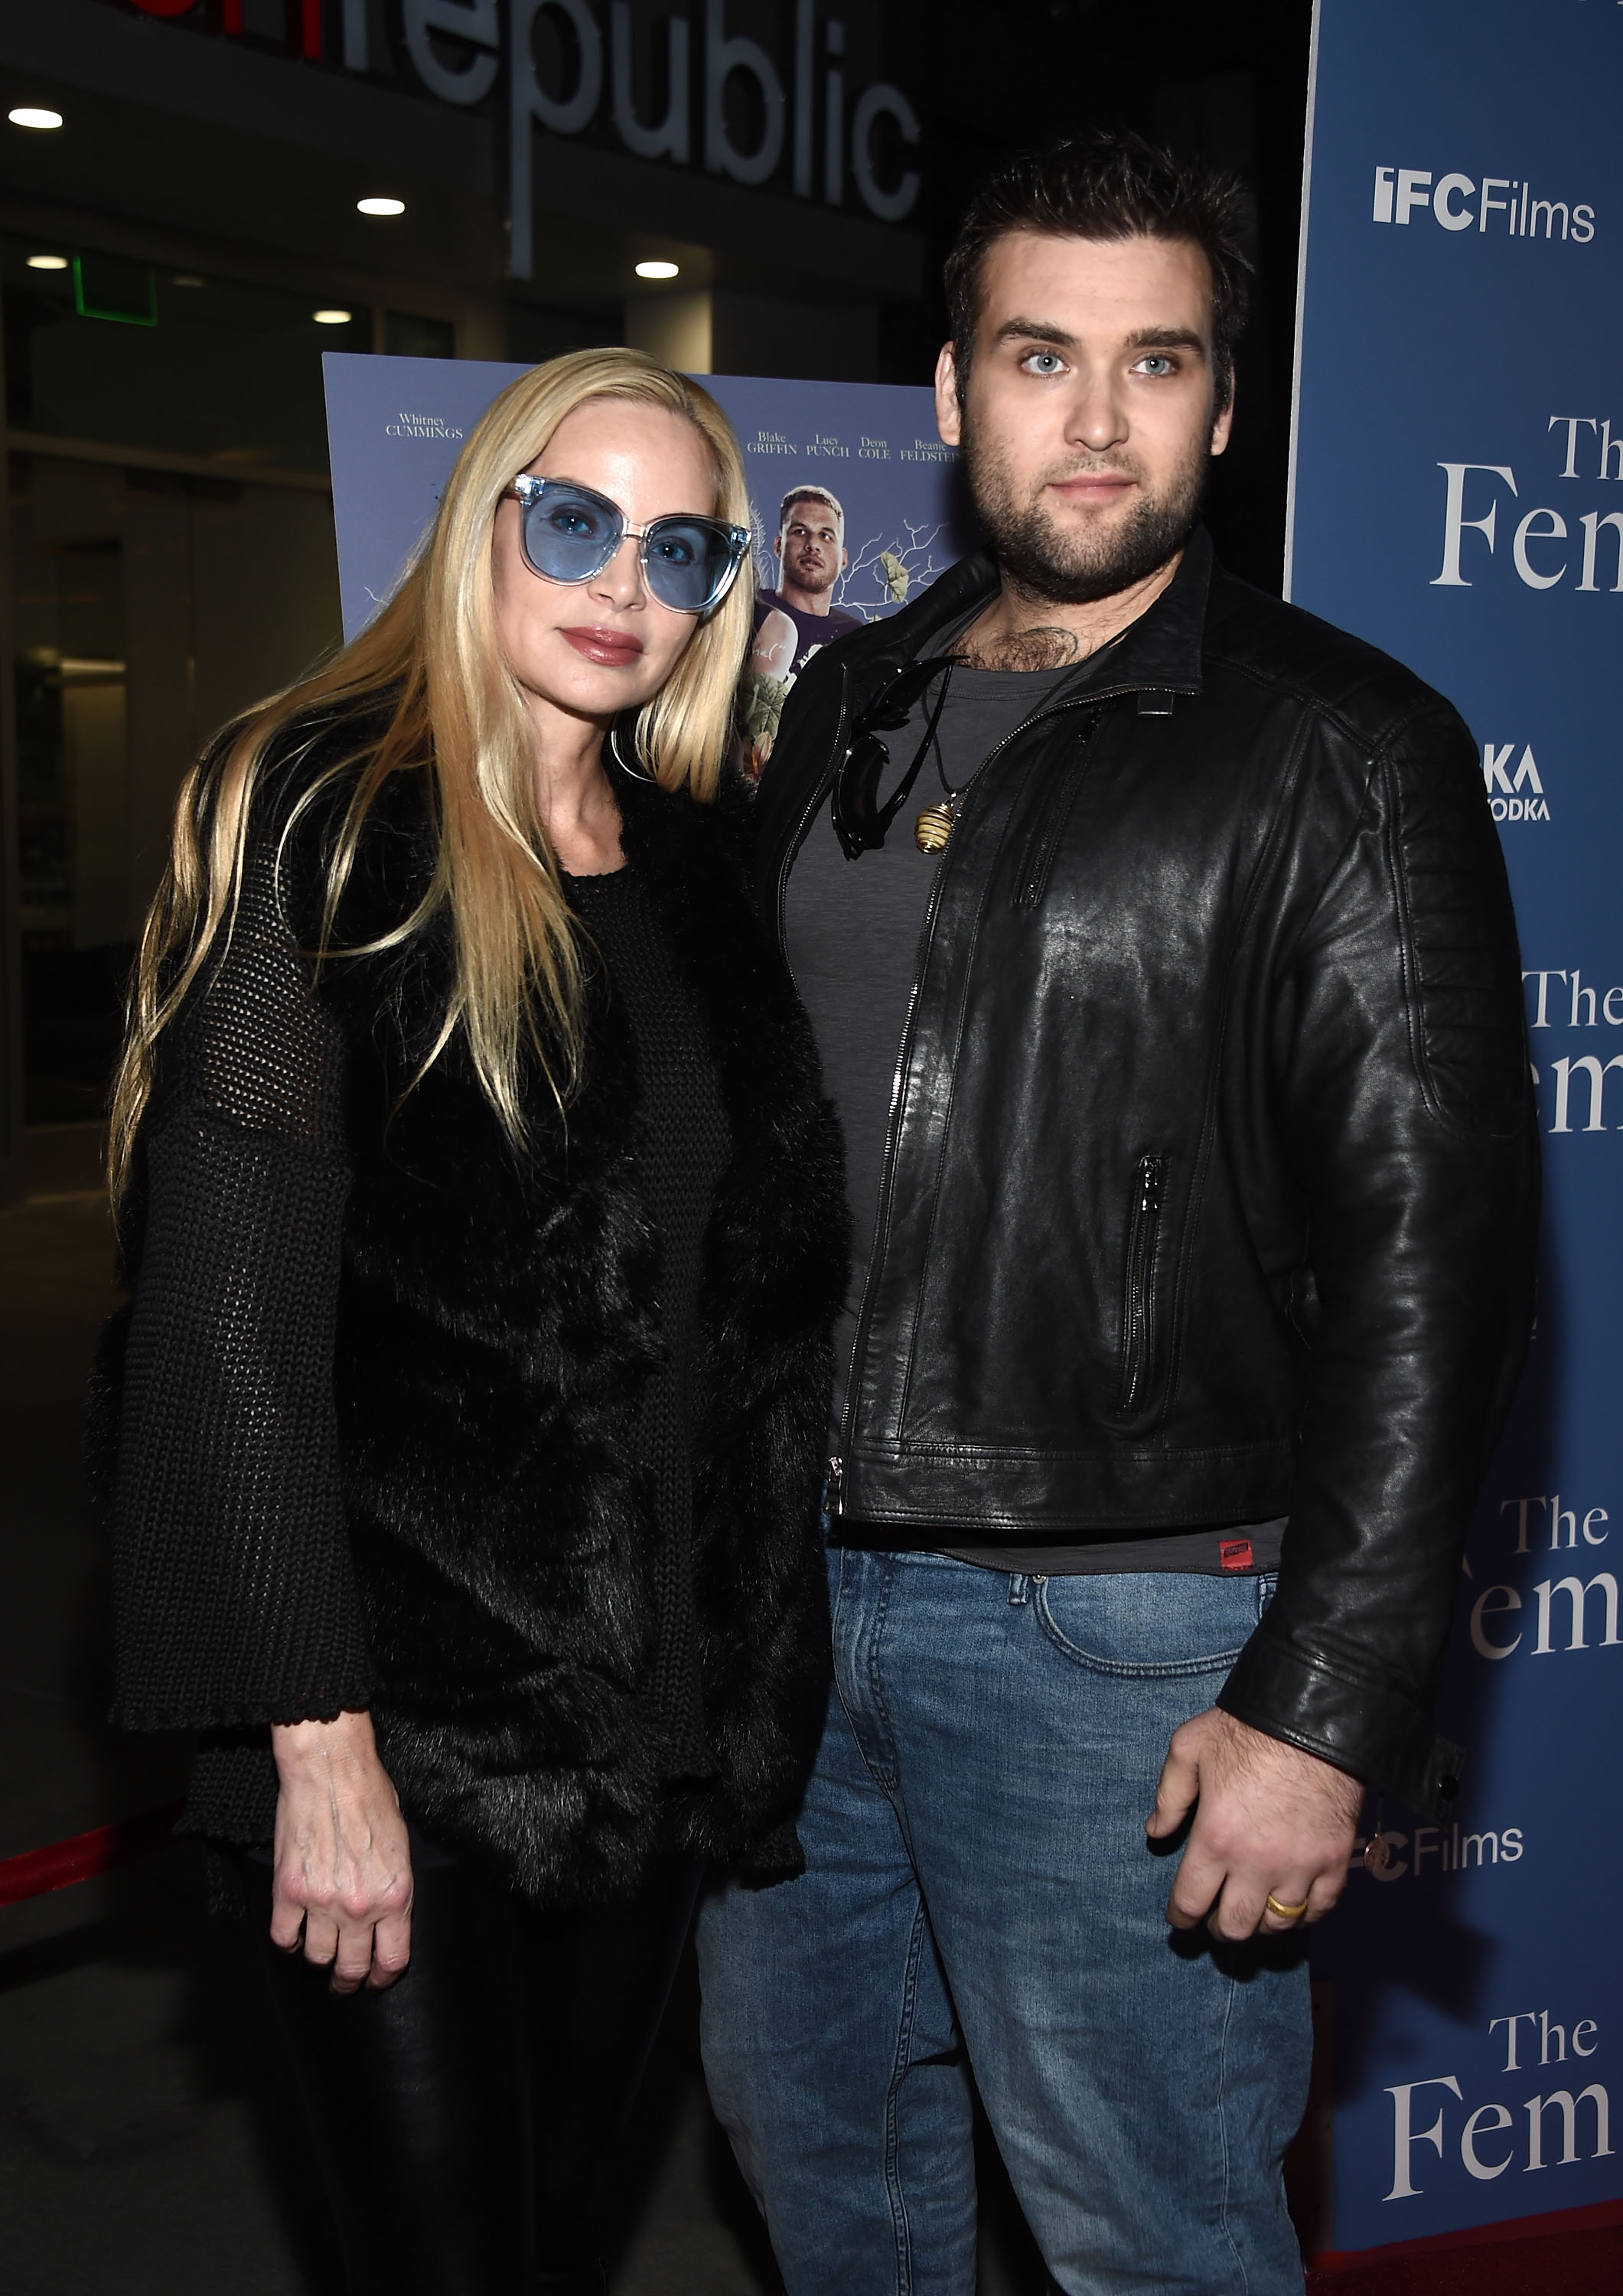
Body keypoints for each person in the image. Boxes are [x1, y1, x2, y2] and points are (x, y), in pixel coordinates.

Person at [696, 132, 1539, 2295]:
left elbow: (1440, 1263)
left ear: (1223, 403)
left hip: (1133, 1646)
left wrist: (1325, 1704)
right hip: (790, 1618)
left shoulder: (1346, 745)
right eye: (1038, 356)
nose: (1093, 418)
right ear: (954, 394)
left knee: (1149, 2250)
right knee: (834, 2223)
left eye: (1152, 361)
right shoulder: (847, 704)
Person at [97, 347, 847, 2296]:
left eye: (677, 546)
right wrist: (319, 1743)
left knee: (550, 2236)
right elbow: (221, 1320)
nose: (624, 582)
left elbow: (742, 1309)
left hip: (658, 1734)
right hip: (397, 1726)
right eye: (576, 521)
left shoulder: (695, 863)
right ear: (483, 521)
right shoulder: (329, 822)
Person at [742, 487, 864, 774]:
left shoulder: (859, 638)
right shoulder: (744, 612)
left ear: (843, 558)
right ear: (778, 545)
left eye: (826, 535)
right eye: (799, 532)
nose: (813, 544)